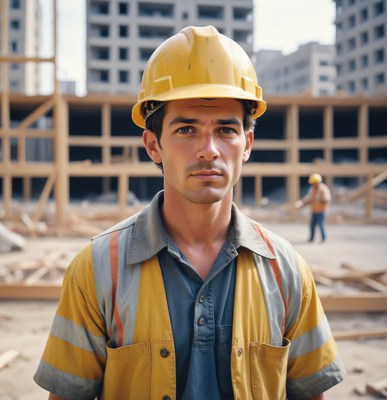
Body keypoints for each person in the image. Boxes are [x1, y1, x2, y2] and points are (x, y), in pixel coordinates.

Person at [34, 26, 345, 400]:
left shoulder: (287, 271)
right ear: (153, 145)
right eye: (186, 129)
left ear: (246, 144)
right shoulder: (99, 269)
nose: (209, 150)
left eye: (226, 129)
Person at [296, 173, 332, 242]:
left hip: (322, 211)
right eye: (313, 183)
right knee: (312, 225)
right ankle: (311, 238)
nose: (314, 184)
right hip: (315, 210)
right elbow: (308, 199)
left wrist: (319, 199)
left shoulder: (323, 189)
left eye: (315, 183)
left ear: (318, 182)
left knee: (321, 224)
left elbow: (327, 199)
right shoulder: (312, 190)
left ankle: (323, 239)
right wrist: (301, 204)